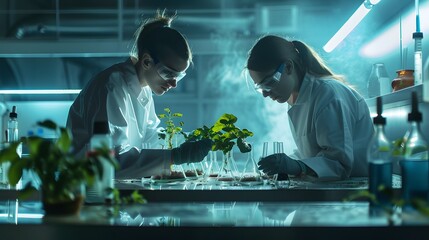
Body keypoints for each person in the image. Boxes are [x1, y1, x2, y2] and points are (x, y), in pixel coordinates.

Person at [67, 10, 212, 178]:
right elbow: (108, 162)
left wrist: (182, 147)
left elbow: (150, 138)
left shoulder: (143, 89)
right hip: (90, 191)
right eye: (168, 73)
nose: (173, 83)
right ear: (146, 61)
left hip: (120, 188)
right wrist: (174, 157)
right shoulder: (110, 87)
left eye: (178, 76)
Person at [246, 35, 374, 181]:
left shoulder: (328, 94)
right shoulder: (298, 99)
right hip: (334, 188)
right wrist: (286, 164)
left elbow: (339, 164)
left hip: (356, 191)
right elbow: (312, 153)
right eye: (260, 87)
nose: (265, 93)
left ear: (288, 67)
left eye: (269, 82)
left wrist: (296, 166)